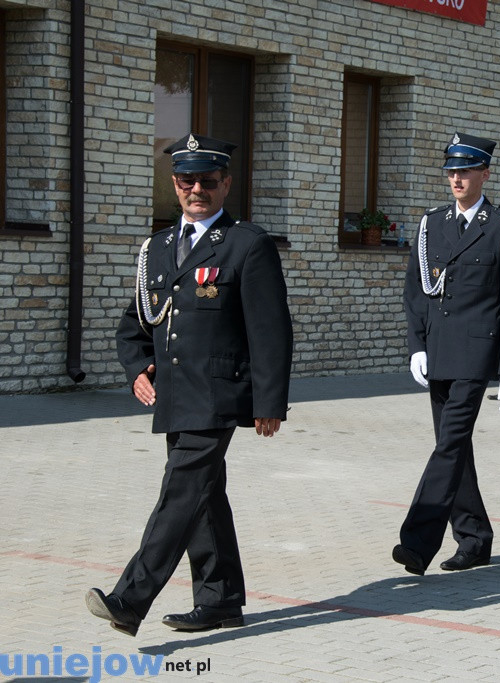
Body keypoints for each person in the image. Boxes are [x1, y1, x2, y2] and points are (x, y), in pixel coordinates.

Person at [86, 133, 293, 637]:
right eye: (186, 181)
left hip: (220, 393)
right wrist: (136, 369)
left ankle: (129, 600)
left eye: (206, 181)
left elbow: (270, 330)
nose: (196, 189)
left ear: (225, 184)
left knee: (178, 494)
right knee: (203, 495)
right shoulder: (156, 248)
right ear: (175, 185)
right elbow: (133, 326)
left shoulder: (248, 244)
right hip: (175, 396)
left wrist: (270, 402)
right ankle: (221, 599)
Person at [395, 132, 500, 575]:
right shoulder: (432, 223)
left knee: (450, 443)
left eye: (465, 171)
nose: (457, 178)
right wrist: (416, 345)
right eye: (452, 171)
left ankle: (418, 541)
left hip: (476, 353)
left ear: (484, 174)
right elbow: (416, 292)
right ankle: (475, 538)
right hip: (437, 350)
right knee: (452, 448)